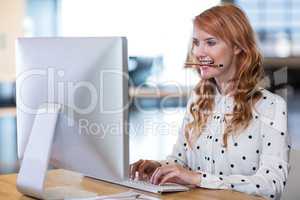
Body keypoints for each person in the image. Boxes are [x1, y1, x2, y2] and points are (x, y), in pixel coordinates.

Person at [130, 3, 290, 200]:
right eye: (196, 42)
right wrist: (158, 168)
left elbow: (272, 184)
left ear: (238, 46)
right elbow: (180, 161)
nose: (198, 52)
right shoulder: (198, 100)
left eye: (210, 42)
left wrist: (198, 179)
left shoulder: (271, 106)